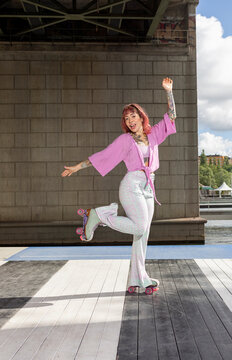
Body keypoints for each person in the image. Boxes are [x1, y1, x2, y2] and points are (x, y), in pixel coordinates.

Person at [61, 77, 176, 292]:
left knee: (142, 236)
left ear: (141, 118)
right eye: (127, 118)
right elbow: (102, 156)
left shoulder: (153, 135)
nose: (130, 120)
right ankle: (99, 215)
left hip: (149, 188)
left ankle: (137, 280)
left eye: (133, 116)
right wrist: (77, 167)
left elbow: (172, 116)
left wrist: (168, 92)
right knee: (140, 227)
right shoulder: (125, 141)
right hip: (131, 186)